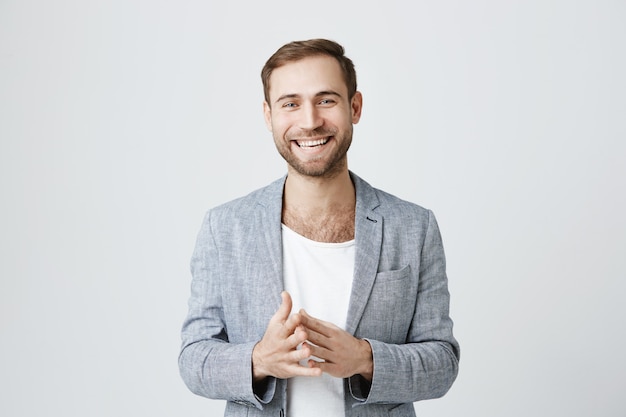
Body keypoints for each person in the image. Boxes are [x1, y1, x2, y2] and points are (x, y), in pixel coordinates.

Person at [179, 38, 460, 417]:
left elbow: (442, 364)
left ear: (354, 107)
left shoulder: (413, 226)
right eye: (290, 103)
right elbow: (194, 360)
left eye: (326, 100)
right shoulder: (225, 227)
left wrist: (365, 358)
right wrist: (260, 360)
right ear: (268, 115)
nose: (310, 121)